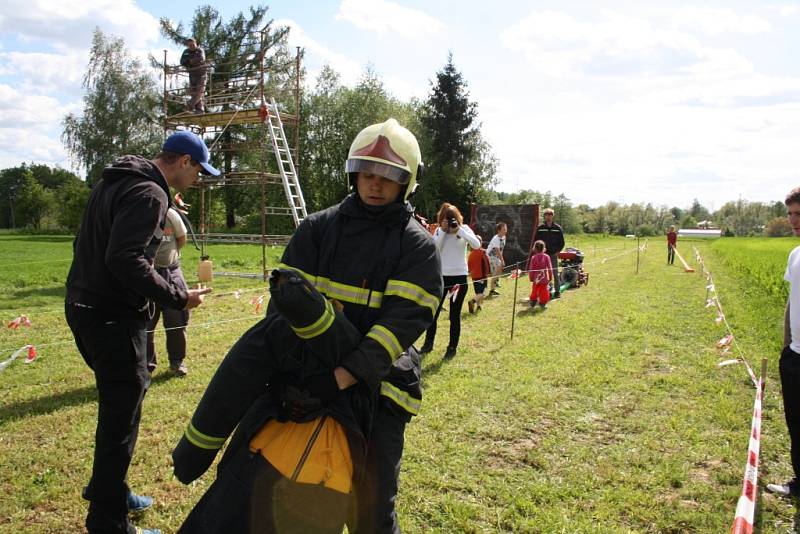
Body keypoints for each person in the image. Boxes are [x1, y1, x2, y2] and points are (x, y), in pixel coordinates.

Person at [170, 118, 442, 533]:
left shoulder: (417, 246)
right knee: (244, 478)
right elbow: (283, 314)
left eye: (388, 177)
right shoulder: (318, 228)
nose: (375, 184)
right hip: (300, 376)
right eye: (367, 174)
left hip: (378, 385)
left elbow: (399, 329)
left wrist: (338, 379)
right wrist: (293, 377)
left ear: (408, 182)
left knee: (372, 508)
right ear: (353, 174)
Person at [65, 130, 217, 534]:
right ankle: (108, 523)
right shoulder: (149, 193)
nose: (198, 179)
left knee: (118, 408)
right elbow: (124, 259)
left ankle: (111, 489)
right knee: (121, 421)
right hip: (112, 318)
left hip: (84, 308)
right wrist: (178, 297)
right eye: (199, 170)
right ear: (184, 162)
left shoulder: (113, 181)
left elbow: (87, 244)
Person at [767, 187, 800, 497]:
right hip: (795, 356)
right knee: (796, 423)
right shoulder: (795, 254)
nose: (793, 220)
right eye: (790, 213)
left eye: (798, 213)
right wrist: (787, 346)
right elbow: (792, 301)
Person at [420, 203, 481, 360]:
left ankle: (452, 347)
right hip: (440, 278)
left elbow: (477, 245)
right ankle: (428, 344)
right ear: (441, 220)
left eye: (452, 219)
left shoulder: (464, 229)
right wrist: (444, 231)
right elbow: (434, 249)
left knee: (454, 315)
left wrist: (458, 230)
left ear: (458, 218)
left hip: (459, 279)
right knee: (433, 313)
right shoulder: (439, 231)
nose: (449, 222)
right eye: (446, 220)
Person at [146, 206, 190, 376]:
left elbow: (181, 239)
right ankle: (146, 366)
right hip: (147, 274)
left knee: (177, 321)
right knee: (146, 323)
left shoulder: (171, 215)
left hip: (171, 272)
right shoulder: (138, 215)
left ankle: (177, 362)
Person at [535, 208, 565, 298]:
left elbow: (562, 242)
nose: (548, 217)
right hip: (542, 256)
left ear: (552, 216)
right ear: (544, 216)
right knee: (541, 273)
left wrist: (557, 251)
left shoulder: (557, 228)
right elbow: (536, 241)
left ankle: (557, 291)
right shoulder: (540, 228)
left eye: (550, 215)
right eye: (547, 215)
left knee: (555, 273)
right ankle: (541, 291)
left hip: (553, 255)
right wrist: (538, 252)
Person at [180, 38, 208, 113]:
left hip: (201, 74)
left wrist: (189, 61)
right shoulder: (186, 52)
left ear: (196, 44)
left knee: (200, 91)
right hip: (192, 74)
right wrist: (191, 61)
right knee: (194, 92)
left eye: (192, 44)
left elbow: (201, 59)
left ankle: (189, 104)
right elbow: (182, 61)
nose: (191, 46)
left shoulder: (200, 50)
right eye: (189, 45)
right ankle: (200, 110)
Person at [467, 235, 490, 314]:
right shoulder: (483, 252)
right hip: (482, 276)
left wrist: (470, 272)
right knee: (483, 292)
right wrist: (488, 272)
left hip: (474, 277)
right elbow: (487, 263)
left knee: (478, 292)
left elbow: (468, 265)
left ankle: (479, 306)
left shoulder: (471, 254)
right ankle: (472, 301)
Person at [528, 240, 553, 310]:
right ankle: (543, 304)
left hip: (536, 279)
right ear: (543, 248)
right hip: (544, 278)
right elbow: (550, 268)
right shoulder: (546, 257)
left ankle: (532, 303)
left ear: (535, 248)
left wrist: (531, 278)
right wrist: (550, 277)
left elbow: (531, 269)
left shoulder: (533, 258)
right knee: (544, 292)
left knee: (534, 291)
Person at [486, 222, 507, 296]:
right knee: (495, 273)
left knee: (499, 269)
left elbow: (501, 250)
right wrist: (502, 260)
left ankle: (495, 283)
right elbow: (497, 251)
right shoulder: (496, 239)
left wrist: (501, 260)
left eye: (506, 229)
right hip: (490, 256)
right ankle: (492, 290)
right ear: (499, 230)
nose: (505, 231)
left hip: (496, 257)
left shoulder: (504, 237)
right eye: (504, 229)